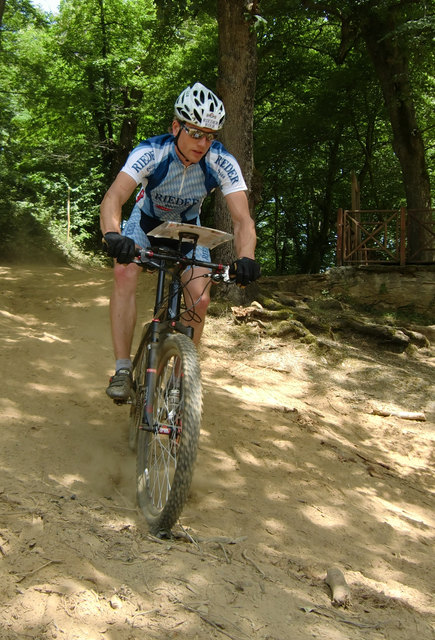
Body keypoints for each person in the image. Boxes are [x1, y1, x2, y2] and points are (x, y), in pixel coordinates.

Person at [100, 82, 260, 401]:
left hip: (187, 229)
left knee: (199, 299)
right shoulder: (151, 151)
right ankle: (121, 369)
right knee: (124, 272)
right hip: (145, 222)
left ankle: (177, 379)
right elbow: (114, 196)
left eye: (210, 135)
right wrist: (112, 235)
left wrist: (247, 257)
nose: (203, 143)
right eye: (195, 133)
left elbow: (243, 219)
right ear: (176, 127)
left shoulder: (220, 161)